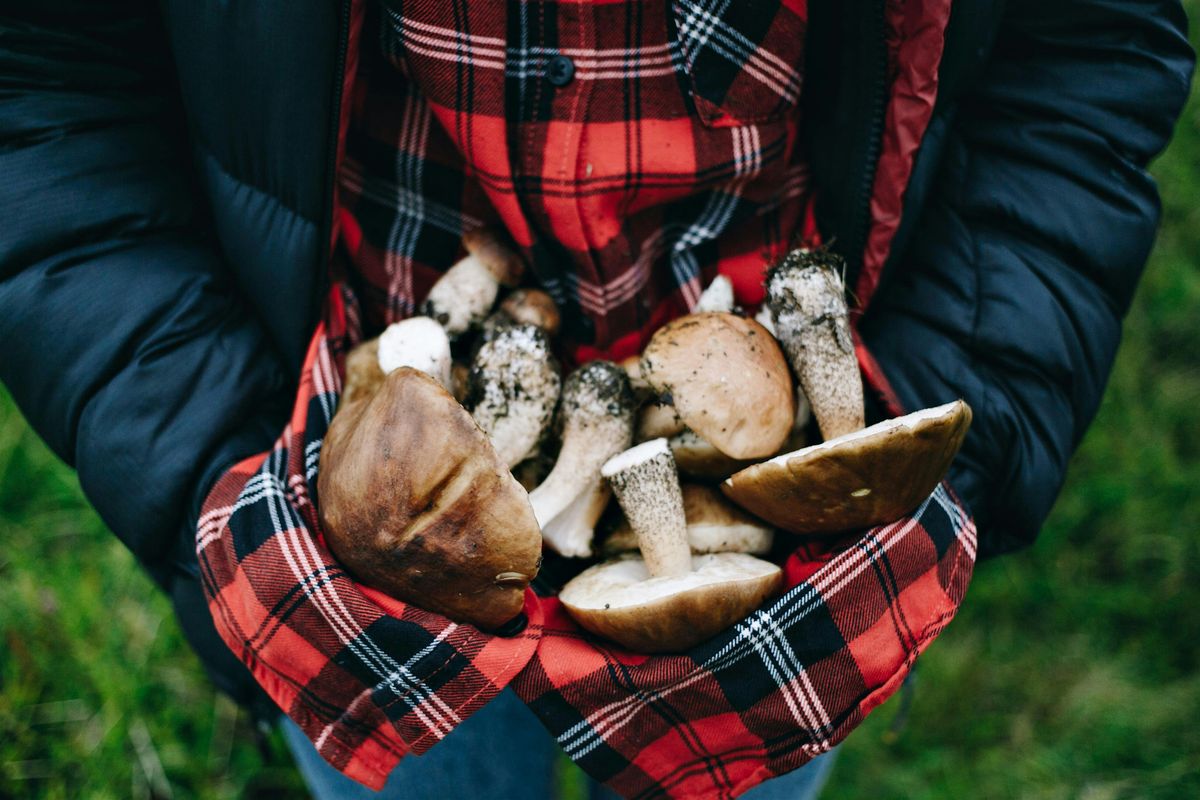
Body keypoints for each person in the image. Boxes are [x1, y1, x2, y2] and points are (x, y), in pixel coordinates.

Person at [0, 1, 1192, 797]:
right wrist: (210, 471)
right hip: (353, 504)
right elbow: (47, 79)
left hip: (775, 534)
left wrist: (934, 441)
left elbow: (1082, 45)